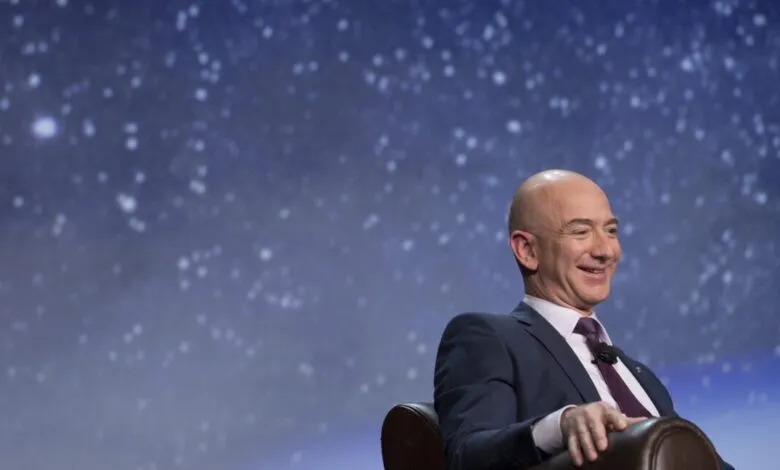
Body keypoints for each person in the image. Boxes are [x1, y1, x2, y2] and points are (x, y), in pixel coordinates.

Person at [433, 169, 734, 470]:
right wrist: (561, 425)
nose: (605, 250)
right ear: (527, 250)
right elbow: (467, 456)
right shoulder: (490, 338)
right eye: (580, 231)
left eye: (611, 231)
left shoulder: (641, 377)